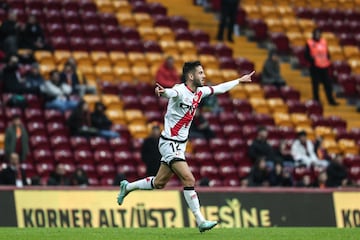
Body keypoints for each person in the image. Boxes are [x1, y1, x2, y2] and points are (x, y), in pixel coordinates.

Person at [117, 61, 254, 232]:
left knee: (159, 183)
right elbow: (171, 93)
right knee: (189, 179)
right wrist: (162, 92)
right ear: (191, 76)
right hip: (169, 143)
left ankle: (127, 187)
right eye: (201, 73)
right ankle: (200, 220)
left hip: (180, 146)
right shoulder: (180, 90)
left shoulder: (200, 92)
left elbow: (220, 88)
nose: (204, 76)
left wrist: (239, 81)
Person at [305, 28, 338, 106]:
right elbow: (306, 55)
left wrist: (328, 59)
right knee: (315, 84)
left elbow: (327, 52)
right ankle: (316, 100)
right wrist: (312, 60)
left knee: (327, 83)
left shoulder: (324, 41)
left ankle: (331, 100)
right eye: (316, 33)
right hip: (314, 67)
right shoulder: (309, 43)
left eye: (319, 33)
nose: (318, 35)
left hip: (324, 65)